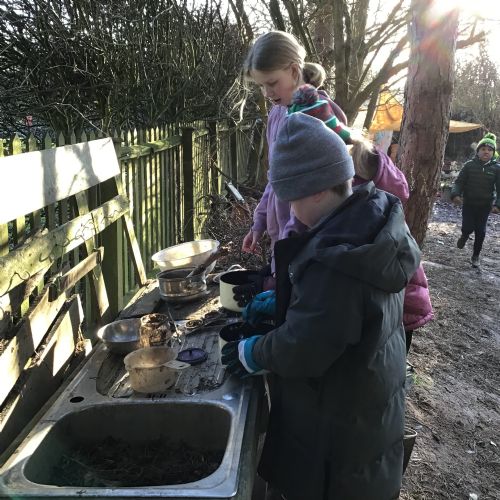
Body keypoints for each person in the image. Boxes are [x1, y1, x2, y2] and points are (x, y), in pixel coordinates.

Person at [222, 113, 421, 499]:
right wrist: (286, 298)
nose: (291, 211)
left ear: (315, 191)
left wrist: (253, 352)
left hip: (336, 448)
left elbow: (304, 347)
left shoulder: (336, 261)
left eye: (291, 199)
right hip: (365, 418)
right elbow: (341, 316)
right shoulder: (371, 219)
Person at [241, 31, 348, 273]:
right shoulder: (276, 113)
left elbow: (341, 190)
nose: (267, 93)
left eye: (272, 83)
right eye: (261, 86)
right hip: (283, 242)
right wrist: (259, 223)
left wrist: (292, 237)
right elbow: (275, 178)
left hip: (313, 245)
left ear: (293, 70)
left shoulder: (323, 114)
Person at [349, 137, 433, 352]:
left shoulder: (362, 207)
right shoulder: (391, 203)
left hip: (389, 307)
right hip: (407, 302)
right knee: (395, 358)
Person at [451, 132, 500, 267]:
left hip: (485, 205)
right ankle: (465, 235)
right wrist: (455, 194)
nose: (486, 152)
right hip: (469, 203)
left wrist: (498, 205)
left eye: (490, 150)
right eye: (483, 149)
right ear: (478, 151)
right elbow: (459, 182)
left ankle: (475, 256)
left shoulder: (496, 168)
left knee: (481, 231)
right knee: (467, 226)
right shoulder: (469, 165)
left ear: (493, 153)